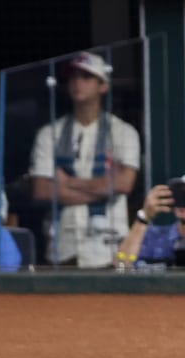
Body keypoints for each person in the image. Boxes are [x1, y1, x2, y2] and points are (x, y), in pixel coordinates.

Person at [28, 51, 140, 268]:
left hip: (108, 249)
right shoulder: (50, 133)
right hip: (62, 246)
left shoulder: (122, 132)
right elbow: (41, 189)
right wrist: (103, 190)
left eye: (86, 77)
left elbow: (124, 183)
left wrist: (69, 183)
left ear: (103, 86)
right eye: (73, 77)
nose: (77, 82)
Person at [113, 168, 185, 267]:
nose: (182, 200)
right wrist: (144, 217)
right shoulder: (151, 235)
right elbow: (120, 265)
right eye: (179, 193)